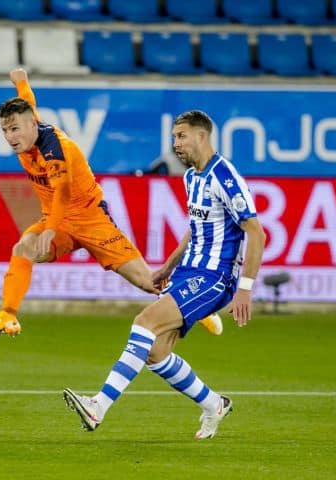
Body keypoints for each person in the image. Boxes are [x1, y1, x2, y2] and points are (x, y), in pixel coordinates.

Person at [63, 110, 266, 440]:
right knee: (156, 352)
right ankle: (214, 404)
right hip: (188, 272)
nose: (176, 145)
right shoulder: (190, 178)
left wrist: (245, 288)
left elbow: (255, 231)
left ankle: (97, 406)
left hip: (216, 278)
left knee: (144, 322)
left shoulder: (224, 176)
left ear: (202, 136)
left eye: (181, 137)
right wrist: (169, 267)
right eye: (174, 137)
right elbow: (195, 230)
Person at [0, 70, 223, 338]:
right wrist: (21, 81)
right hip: (60, 223)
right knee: (24, 248)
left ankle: (199, 306)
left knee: (148, 281)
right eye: (5, 130)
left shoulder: (55, 148)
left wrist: (50, 229)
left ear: (31, 125)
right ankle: (8, 315)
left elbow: (62, 192)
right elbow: (27, 100)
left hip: (91, 220)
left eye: (14, 129)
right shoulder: (29, 128)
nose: (9, 136)